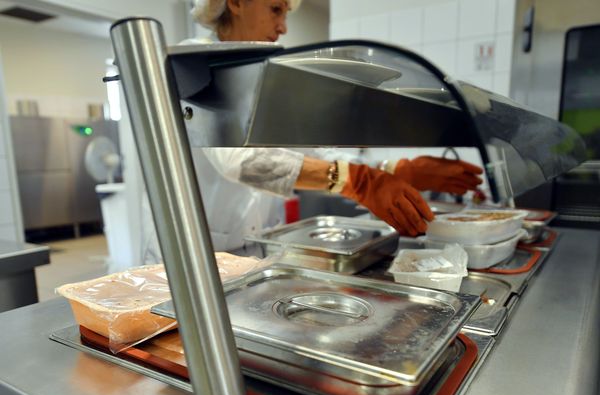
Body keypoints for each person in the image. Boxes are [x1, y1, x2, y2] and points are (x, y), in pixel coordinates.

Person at [140, 0, 483, 264]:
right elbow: (241, 160)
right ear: (236, 2)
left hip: (251, 255)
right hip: (189, 263)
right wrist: (356, 181)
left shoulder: (261, 75)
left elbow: (312, 150)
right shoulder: (191, 66)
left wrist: (395, 170)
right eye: (276, 9)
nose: (283, 27)